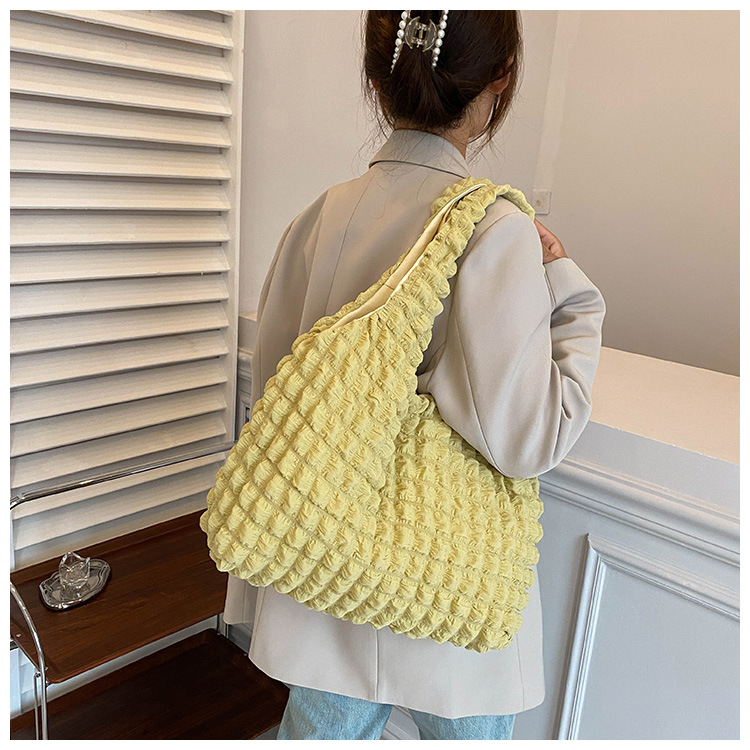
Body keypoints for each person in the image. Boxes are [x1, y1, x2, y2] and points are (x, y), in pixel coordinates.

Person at [222, 10, 606, 740]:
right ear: (501, 80)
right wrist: (570, 292)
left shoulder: (315, 218)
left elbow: (280, 394)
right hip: (445, 595)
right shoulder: (495, 229)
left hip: (326, 582)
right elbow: (529, 439)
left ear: (377, 79)